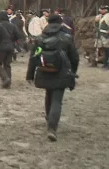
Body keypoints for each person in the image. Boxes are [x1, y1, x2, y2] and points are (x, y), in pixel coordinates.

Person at [26, 14, 79, 142]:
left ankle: (49, 118)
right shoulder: (66, 38)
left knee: (48, 93)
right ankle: (52, 127)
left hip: (45, 71)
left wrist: (30, 75)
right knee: (57, 99)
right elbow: (75, 58)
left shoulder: (40, 38)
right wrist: (72, 72)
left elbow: (33, 57)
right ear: (60, 23)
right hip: (61, 72)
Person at [0, 11, 22, 88]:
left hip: (1, 47)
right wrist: (12, 41)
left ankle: (5, 79)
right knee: (7, 65)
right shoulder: (13, 25)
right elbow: (18, 35)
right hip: (11, 47)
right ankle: (8, 83)